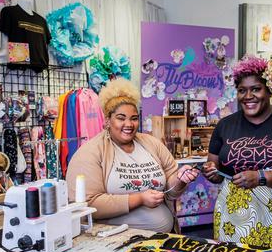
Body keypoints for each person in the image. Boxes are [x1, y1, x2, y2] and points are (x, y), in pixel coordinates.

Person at [202, 56, 272, 251]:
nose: (248, 96)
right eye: (242, 90)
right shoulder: (225, 126)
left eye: (256, 89)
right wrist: (211, 172)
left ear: (269, 89)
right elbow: (214, 170)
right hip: (233, 218)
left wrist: (261, 177)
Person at [66, 78, 198, 233]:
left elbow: (171, 187)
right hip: (113, 243)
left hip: (162, 240)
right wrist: (139, 199)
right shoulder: (89, 153)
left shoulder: (151, 143)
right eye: (121, 118)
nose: (129, 124)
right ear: (108, 120)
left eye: (134, 118)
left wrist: (180, 180)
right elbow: (88, 203)